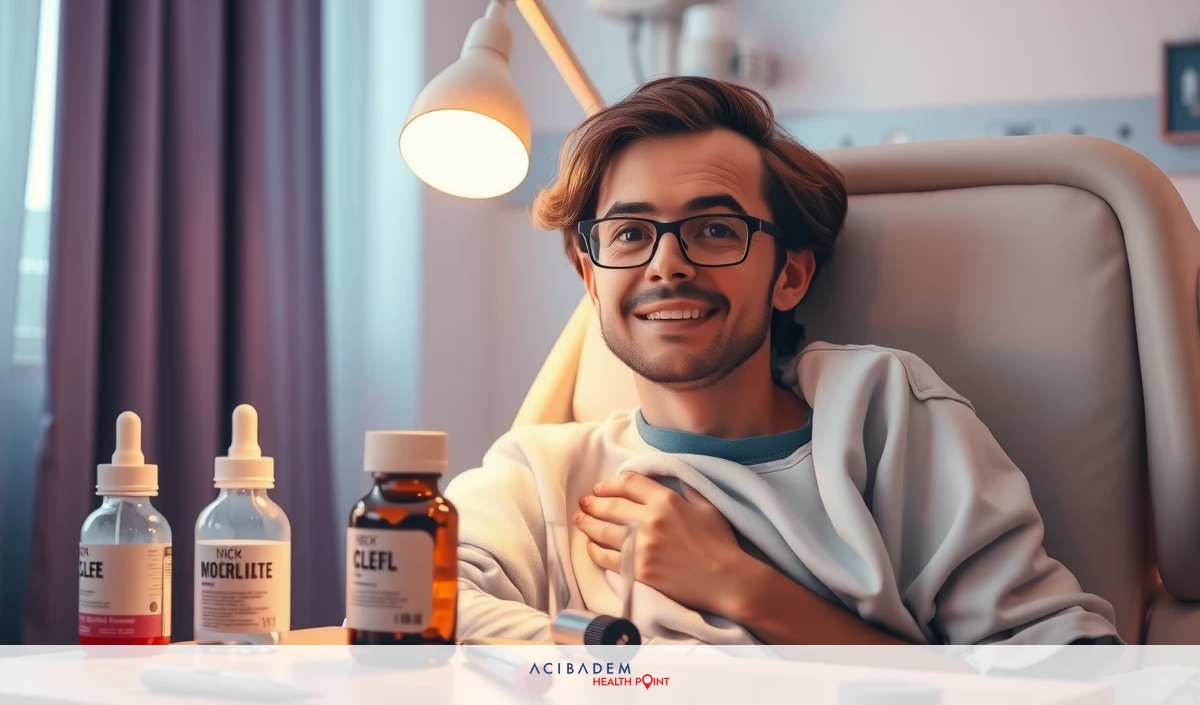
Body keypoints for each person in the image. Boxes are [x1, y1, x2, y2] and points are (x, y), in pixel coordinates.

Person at [445, 76, 1120, 645]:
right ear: (593, 281)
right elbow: (418, 609)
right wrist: (621, 663)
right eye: (629, 233)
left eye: (715, 230)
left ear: (790, 276)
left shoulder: (882, 417)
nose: (666, 264)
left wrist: (742, 586)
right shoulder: (540, 477)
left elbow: (1064, 668)